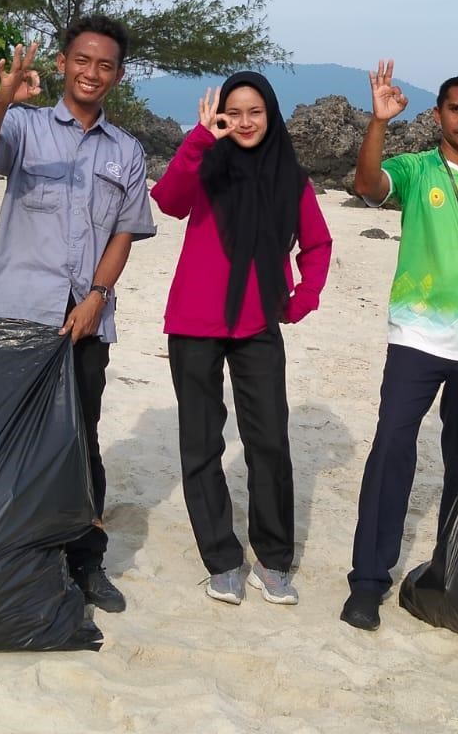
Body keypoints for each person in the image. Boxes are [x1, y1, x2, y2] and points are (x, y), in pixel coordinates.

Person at [0, 15, 156, 614]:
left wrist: (98, 295)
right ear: (66, 63)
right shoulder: (22, 125)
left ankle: (85, 561)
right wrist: (2, 93)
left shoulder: (127, 152)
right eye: (82, 60)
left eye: (104, 65)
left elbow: (124, 232)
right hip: (8, 311)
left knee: (79, 440)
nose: (91, 73)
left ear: (116, 75)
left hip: (82, 321)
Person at [339, 61, 458, 631]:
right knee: (391, 451)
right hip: (417, 338)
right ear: (438, 115)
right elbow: (367, 185)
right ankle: (368, 584)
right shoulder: (417, 168)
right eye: (457, 109)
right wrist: (378, 123)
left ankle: (449, 579)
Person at [150, 72, 332, 606]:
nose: (246, 122)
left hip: (257, 324)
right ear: (220, 115)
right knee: (202, 442)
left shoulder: (290, 178)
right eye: (235, 112)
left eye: (256, 112)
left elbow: (317, 245)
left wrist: (303, 298)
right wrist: (202, 136)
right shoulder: (206, 163)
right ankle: (222, 561)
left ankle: (273, 560)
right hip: (193, 321)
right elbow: (168, 199)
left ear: (271, 115)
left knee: (269, 440)